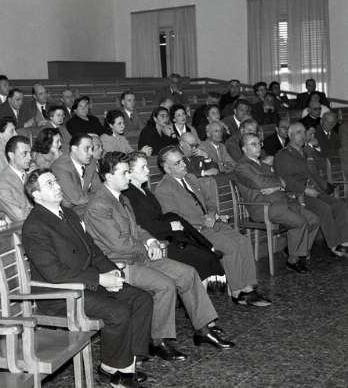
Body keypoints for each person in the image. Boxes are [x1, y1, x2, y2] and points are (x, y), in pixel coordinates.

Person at [85, 152, 234, 356]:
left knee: (188, 273)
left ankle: (203, 329)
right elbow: (119, 245)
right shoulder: (99, 205)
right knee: (165, 285)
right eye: (124, 173)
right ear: (108, 176)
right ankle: (158, 341)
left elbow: (137, 229)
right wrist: (147, 248)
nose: (128, 177)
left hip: (139, 256)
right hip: (119, 265)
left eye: (129, 172)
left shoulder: (121, 197)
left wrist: (151, 240)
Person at [22, 169, 153, 388]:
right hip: (59, 293)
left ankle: (120, 366)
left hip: (86, 281)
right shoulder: (35, 226)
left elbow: (92, 250)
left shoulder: (68, 214)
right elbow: (55, 274)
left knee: (142, 299)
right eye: (50, 184)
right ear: (36, 195)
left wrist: (112, 272)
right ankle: (120, 376)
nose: (57, 186)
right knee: (118, 311)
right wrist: (100, 279)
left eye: (56, 181)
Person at [155, 146, 271, 307]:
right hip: (195, 231)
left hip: (211, 223)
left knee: (243, 241)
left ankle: (249, 287)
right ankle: (238, 292)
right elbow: (175, 218)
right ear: (167, 169)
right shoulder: (163, 189)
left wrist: (211, 213)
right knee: (230, 247)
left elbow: (209, 201)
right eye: (177, 163)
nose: (183, 165)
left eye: (183, 160)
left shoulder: (191, 178)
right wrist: (203, 221)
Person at [123, 151, 224, 283]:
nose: (148, 170)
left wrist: (171, 225)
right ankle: (209, 287)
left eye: (147, 166)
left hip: (167, 236)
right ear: (129, 172)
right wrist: (170, 226)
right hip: (158, 243)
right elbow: (144, 226)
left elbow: (162, 217)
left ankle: (206, 248)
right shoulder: (130, 195)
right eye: (143, 167)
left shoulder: (145, 191)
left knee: (173, 217)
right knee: (204, 259)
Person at [235, 133, 320, 273]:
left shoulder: (263, 164)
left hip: (282, 201)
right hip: (263, 207)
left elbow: (283, 181)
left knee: (314, 220)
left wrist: (278, 186)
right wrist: (278, 184)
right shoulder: (242, 167)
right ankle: (293, 260)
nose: (258, 147)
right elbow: (259, 183)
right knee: (300, 222)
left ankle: (295, 250)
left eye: (259, 143)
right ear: (244, 148)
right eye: (253, 144)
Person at [274, 123, 348, 258]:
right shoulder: (282, 155)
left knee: (340, 205)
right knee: (325, 208)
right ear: (290, 136)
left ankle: (344, 242)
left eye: (304, 132)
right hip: (297, 195)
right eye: (298, 132)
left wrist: (316, 147)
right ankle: (334, 245)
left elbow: (323, 163)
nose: (302, 135)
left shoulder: (307, 151)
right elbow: (284, 180)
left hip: (315, 191)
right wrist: (304, 190)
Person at [51, 133, 101, 217]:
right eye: (87, 149)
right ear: (74, 149)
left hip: (88, 207)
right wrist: (98, 195)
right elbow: (77, 199)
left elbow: (99, 188)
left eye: (92, 149)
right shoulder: (60, 167)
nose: (91, 153)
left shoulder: (91, 162)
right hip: (68, 213)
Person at [0, 136, 33, 230]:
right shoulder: (1, 184)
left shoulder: (32, 177)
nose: (30, 157)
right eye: (25, 153)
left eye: (30, 153)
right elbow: (20, 216)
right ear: (11, 155)